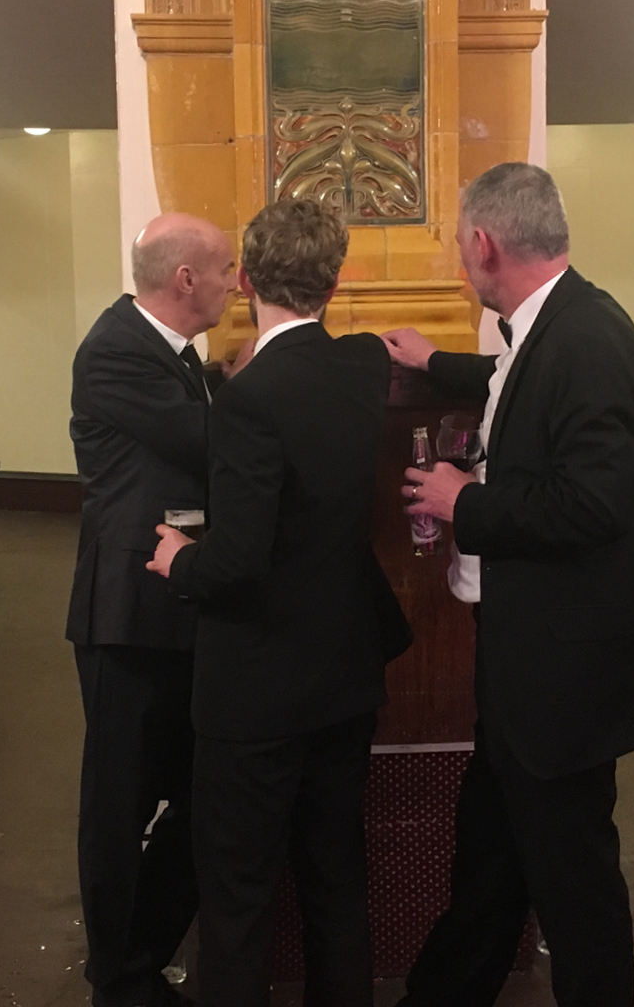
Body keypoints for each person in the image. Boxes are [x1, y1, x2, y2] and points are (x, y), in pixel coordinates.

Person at [384, 162, 634, 1007]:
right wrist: (440, 362)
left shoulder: (588, 337)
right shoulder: (556, 325)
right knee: (491, 862)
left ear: (485, 244)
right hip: (534, 670)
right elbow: (512, 387)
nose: (459, 264)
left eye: (458, 248)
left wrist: (467, 504)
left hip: (566, 676)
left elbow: (593, 504)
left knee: (575, 889)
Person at [147, 199, 408, 1007]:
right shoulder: (361, 369)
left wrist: (177, 559)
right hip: (344, 676)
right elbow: (369, 351)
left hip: (256, 691)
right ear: (333, 282)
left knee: (240, 895)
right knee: (335, 877)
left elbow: (238, 561)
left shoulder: (250, 400)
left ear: (249, 279)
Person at [66, 212, 237, 1007]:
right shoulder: (114, 352)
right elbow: (212, 446)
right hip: (128, 614)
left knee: (205, 793)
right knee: (120, 800)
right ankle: (119, 976)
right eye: (228, 269)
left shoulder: (178, 357)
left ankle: (140, 951)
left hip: (175, 606)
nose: (238, 283)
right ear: (186, 281)